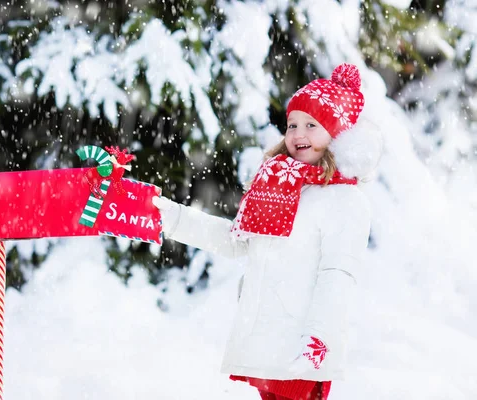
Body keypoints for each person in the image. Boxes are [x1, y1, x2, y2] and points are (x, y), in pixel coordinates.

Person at [152, 63, 383, 400]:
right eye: (292, 124)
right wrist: (171, 218)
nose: (297, 134)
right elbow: (236, 242)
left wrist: (320, 339)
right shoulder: (278, 186)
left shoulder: (345, 200)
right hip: (267, 349)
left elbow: (338, 274)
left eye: (311, 125)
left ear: (338, 134)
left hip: (303, 351)